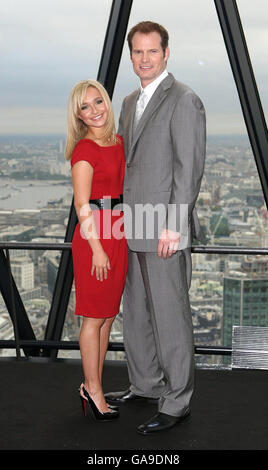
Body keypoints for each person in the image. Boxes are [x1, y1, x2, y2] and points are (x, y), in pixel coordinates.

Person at [105, 21, 206, 434]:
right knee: (137, 315)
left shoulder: (184, 100)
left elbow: (189, 169)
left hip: (163, 228)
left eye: (152, 51)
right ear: (131, 57)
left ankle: (177, 400)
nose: (145, 59)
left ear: (167, 54)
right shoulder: (130, 101)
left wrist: (174, 225)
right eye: (138, 53)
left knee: (170, 316)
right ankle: (145, 384)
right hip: (132, 224)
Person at [65, 79, 128, 421]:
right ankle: (93, 389)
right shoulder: (84, 150)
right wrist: (98, 249)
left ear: (107, 102)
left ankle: (93, 384)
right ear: (78, 116)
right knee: (93, 318)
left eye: (97, 102)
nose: (94, 111)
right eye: (85, 107)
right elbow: (81, 204)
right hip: (95, 239)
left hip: (116, 231)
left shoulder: (118, 143)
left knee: (106, 317)